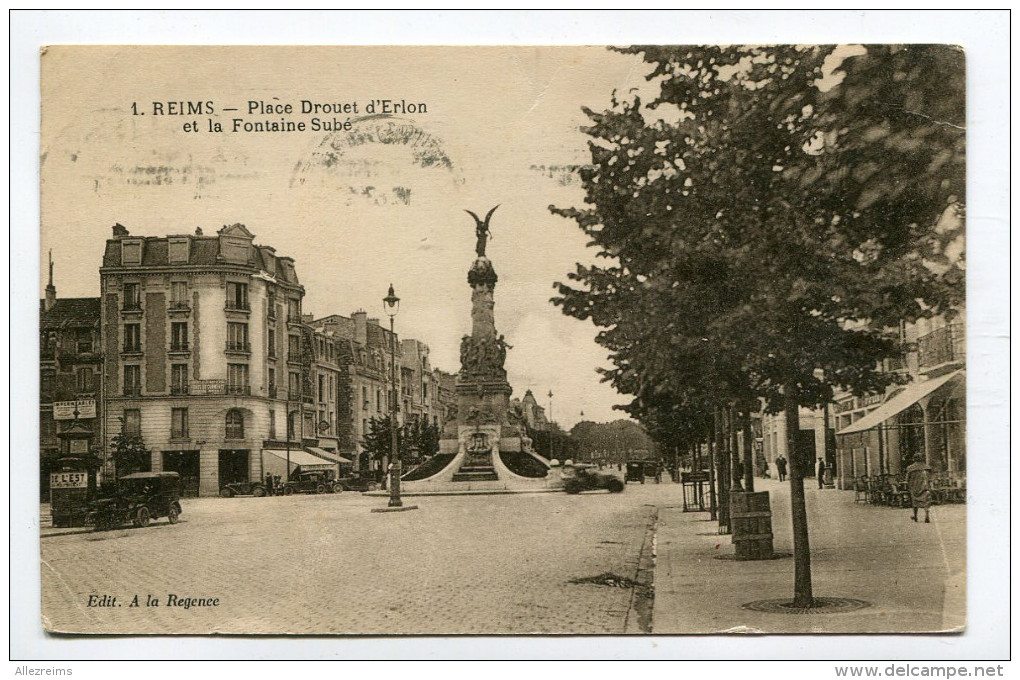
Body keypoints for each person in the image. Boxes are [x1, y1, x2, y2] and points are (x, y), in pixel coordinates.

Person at [905, 454, 933, 523]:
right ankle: (927, 515)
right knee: (926, 501)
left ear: (914, 459)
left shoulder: (910, 468)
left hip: (915, 487)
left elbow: (907, 479)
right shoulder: (927, 467)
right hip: (925, 486)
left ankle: (915, 516)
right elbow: (930, 478)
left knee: (915, 501)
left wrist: (909, 485)